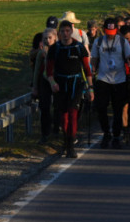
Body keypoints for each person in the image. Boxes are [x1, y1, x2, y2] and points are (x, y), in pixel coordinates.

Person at [46, 20, 94, 158]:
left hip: (76, 84)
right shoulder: (55, 49)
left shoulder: (79, 48)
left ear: (71, 32)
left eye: (68, 31)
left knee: (73, 114)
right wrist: (52, 82)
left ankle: (71, 146)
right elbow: (48, 71)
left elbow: (87, 69)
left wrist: (90, 88)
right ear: (59, 33)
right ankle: (66, 140)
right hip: (60, 84)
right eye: (63, 31)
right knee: (64, 116)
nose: (65, 34)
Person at [90, 18, 130, 149]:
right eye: (108, 31)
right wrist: (92, 70)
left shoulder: (123, 42)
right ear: (104, 30)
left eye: (113, 32)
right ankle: (106, 132)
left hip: (119, 79)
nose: (110, 34)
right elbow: (94, 59)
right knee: (101, 107)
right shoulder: (98, 42)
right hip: (103, 78)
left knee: (118, 110)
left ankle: (116, 135)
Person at [32, 28, 57, 144]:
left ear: (55, 38)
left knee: (58, 106)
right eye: (45, 38)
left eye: (50, 38)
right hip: (44, 80)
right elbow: (37, 70)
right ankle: (45, 134)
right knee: (44, 106)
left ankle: (56, 129)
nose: (47, 40)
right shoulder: (41, 53)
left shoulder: (59, 50)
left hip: (57, 80)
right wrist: (35, 86)